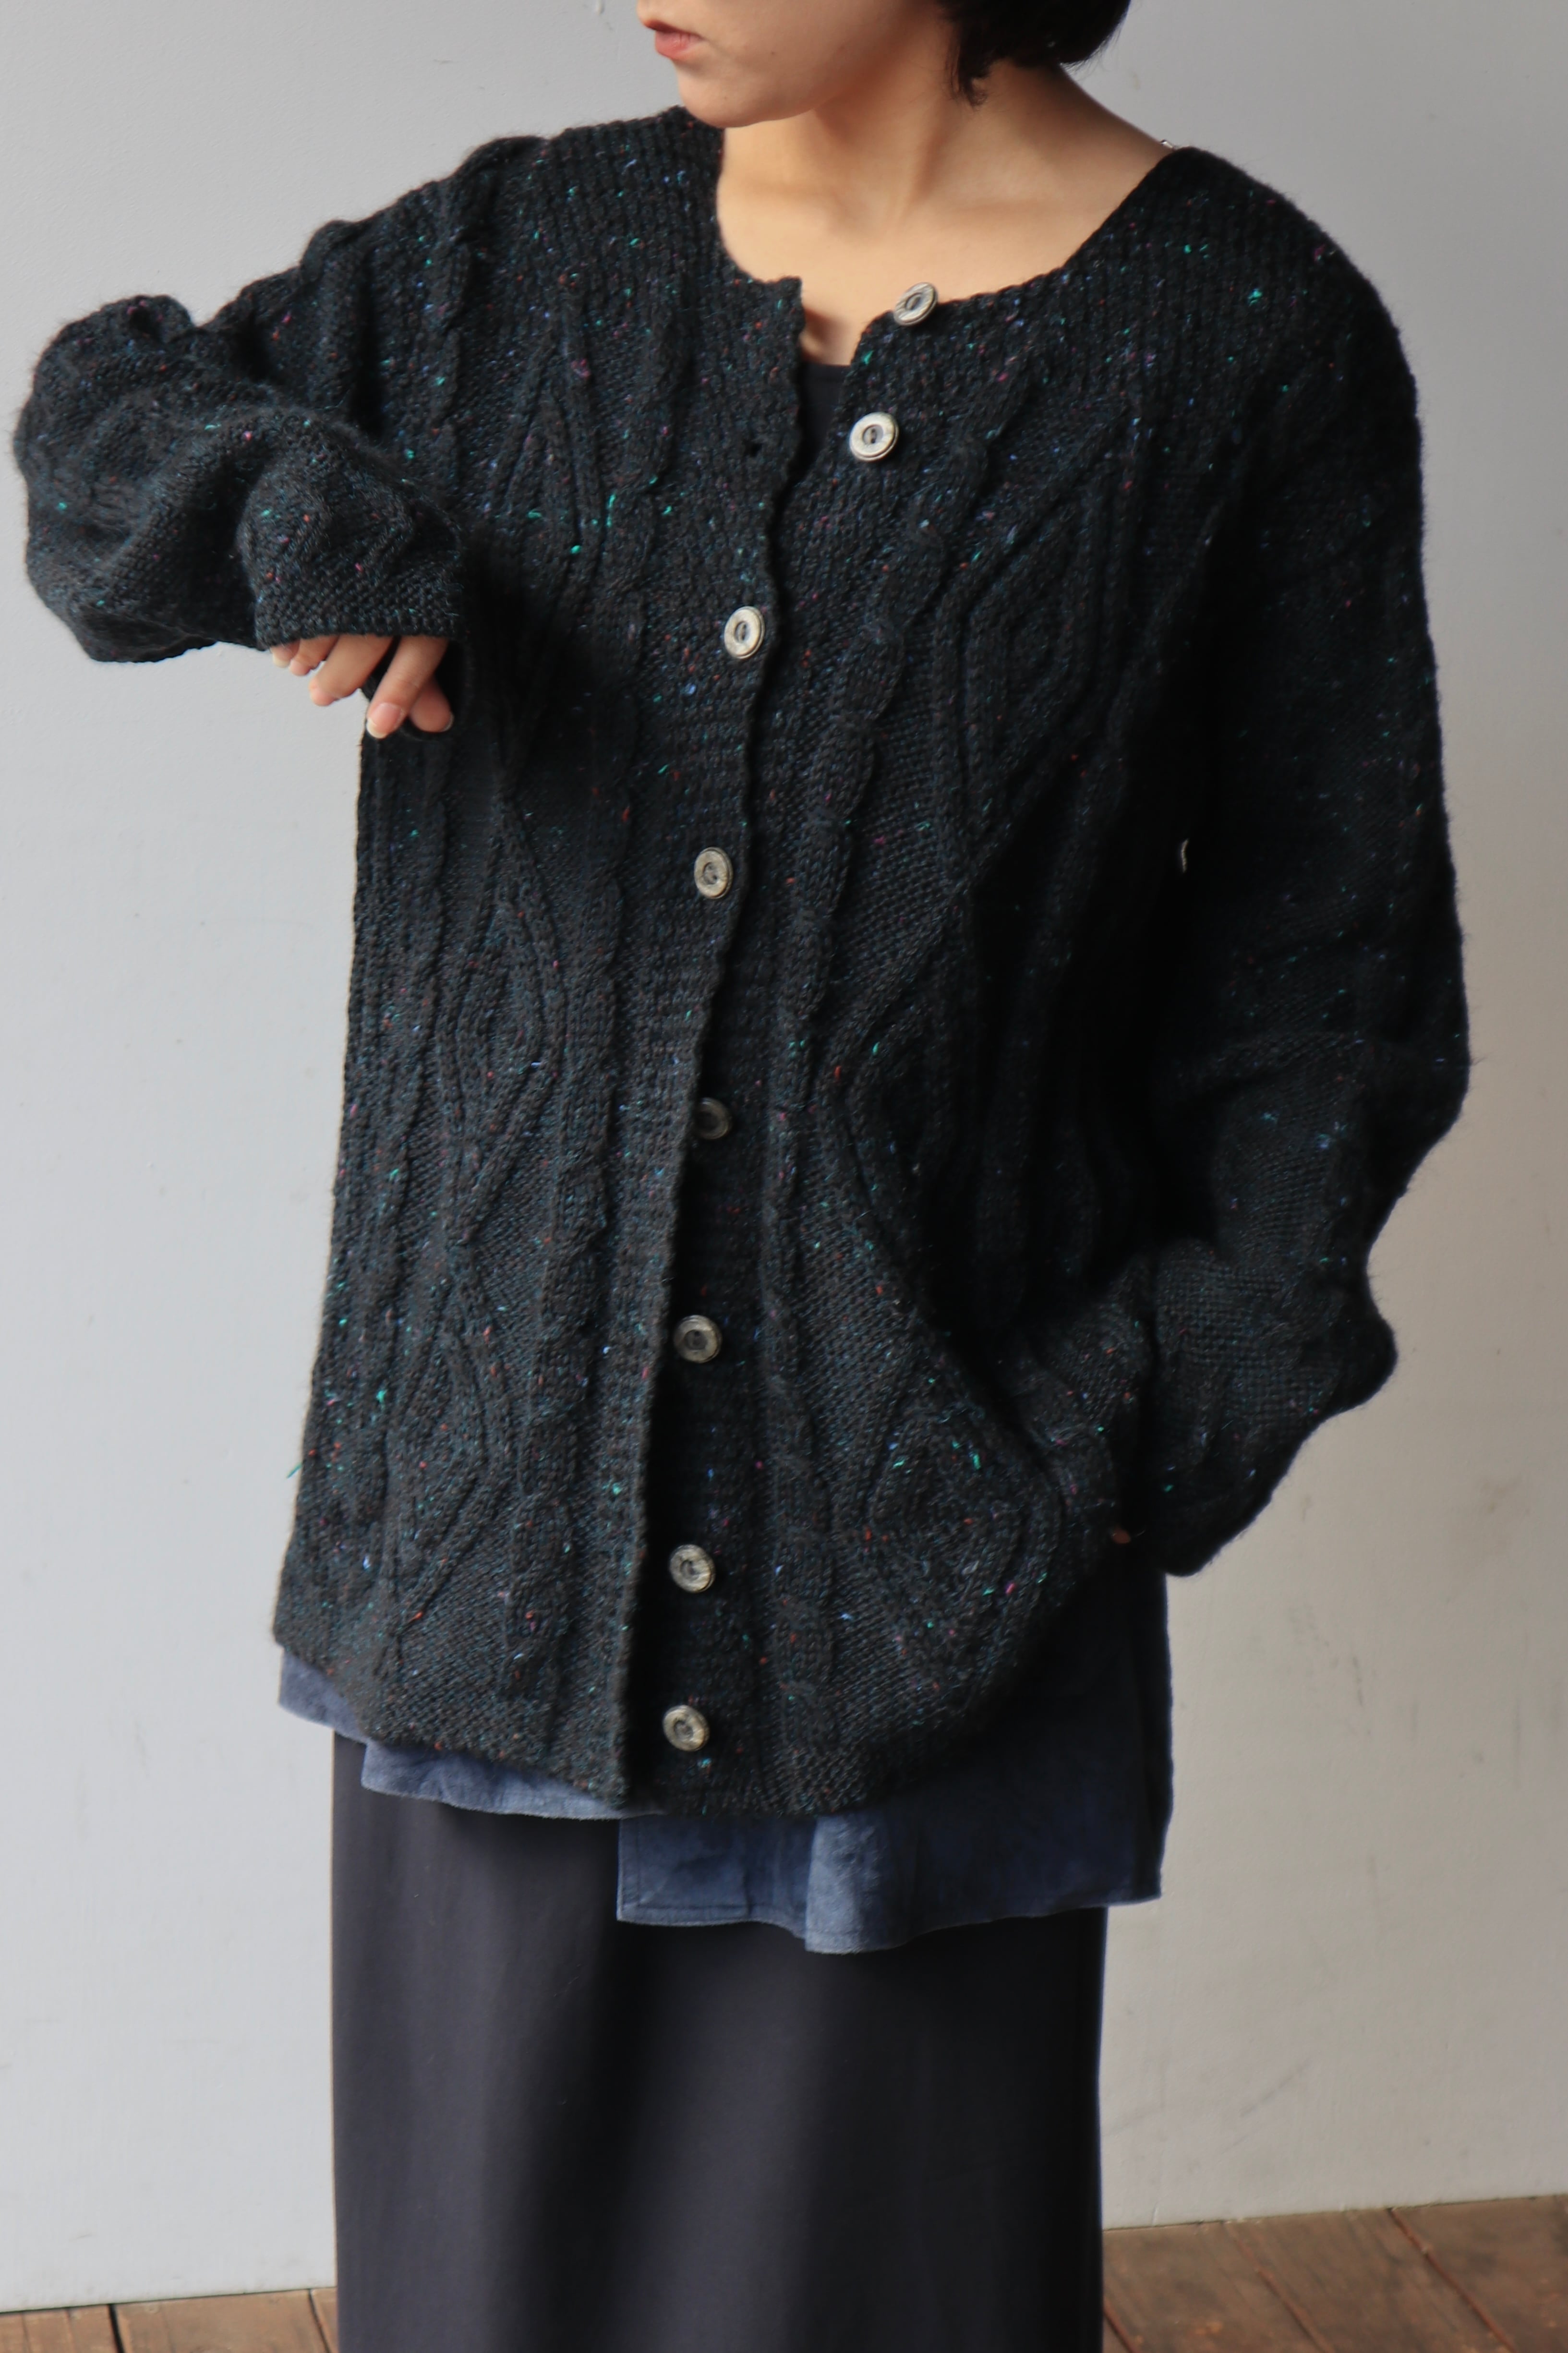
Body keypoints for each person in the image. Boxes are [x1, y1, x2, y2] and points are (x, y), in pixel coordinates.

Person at [15, 0, 1469, 2345]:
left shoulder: (1240, 339)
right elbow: (103, 412)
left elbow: (1333, 980)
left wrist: (1127, 1439)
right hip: (484, 1565)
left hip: (942, 1592)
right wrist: (289, 500)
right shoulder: (518, 257)